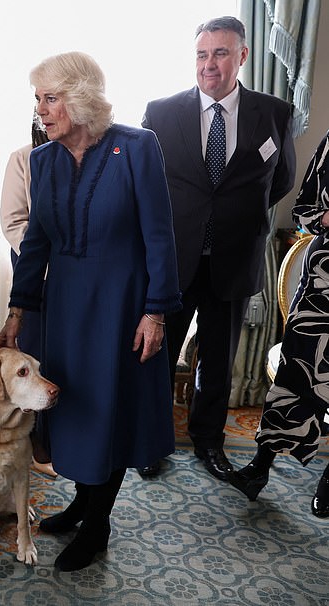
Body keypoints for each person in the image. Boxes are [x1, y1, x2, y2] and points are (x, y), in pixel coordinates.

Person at [0, 51, 181, 572]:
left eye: (50, 99)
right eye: (38, 100)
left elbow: (160, 236)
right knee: (71, 409)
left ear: (79, 100)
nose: (42, 111)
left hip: (122, 306)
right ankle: (81, 501)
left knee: (111, 411)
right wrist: (16, 314)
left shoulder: (137, 146)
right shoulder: (43, 160)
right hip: (66, 308)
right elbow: (34, 246)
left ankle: (98, 523)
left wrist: (156, 312)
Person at [141, 16, 296, 481]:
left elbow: (281, 181)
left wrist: (233, 219)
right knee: (160, 356)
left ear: (242, 56)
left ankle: (208, 442)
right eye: (202, 55)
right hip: (172, 260)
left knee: (218, 361)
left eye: (221, 53)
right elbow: (145, 185)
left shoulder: (273, 113)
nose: (210, 64)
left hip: (233, 259)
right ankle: (152, 440)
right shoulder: (161, 112)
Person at [230, 130, 329, 518]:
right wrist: (325, 216)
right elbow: (303, 207)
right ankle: (260, 467)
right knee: (295, 372)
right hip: (323, 283)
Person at [0, 113, 55, 477]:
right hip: (36, 278)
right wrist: (45, 258)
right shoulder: (22, 158)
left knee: (65, 363)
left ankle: (65, 441)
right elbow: (13, 221)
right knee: (35, 358)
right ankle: (37, 446)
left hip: (79, 282)